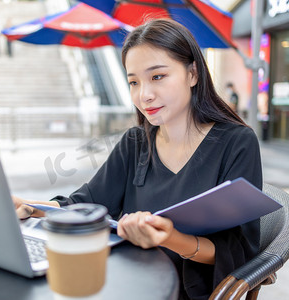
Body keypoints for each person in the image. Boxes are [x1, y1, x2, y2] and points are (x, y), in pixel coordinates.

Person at [13, 19, 262, 299]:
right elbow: (83, 205)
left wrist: (170, 238)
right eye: (134, 82)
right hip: (126, 281)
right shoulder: (135, 142)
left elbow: (238, 250)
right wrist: (30, 206)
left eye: (157, 77)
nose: (144, 95)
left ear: (193, 74)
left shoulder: (236, 142)